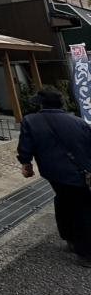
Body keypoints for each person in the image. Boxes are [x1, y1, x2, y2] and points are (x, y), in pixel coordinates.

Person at [17, 86, 91, 267]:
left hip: (55, 173)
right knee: (80, 206)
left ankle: (80, 246)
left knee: (67, 202)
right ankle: (76, 243)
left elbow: (25, 147)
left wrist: (26, 164)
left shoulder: (31, 121)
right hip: (81, 172)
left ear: (41, 104)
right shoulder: (78, 122)